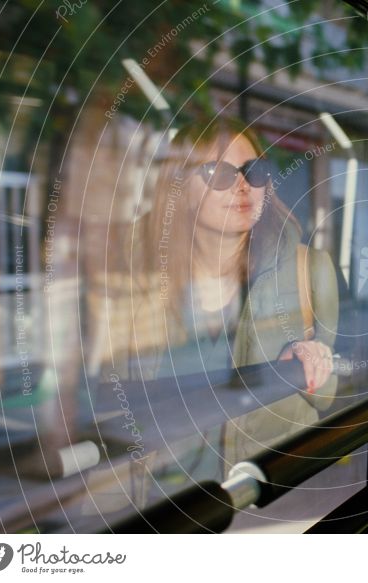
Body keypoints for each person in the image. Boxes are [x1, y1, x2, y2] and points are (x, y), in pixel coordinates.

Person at [87, 115, 339, 512]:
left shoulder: (309, 270)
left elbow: (331, 395)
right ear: (178, 186)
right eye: (218, 173)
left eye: (253, 171)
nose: (241, 186)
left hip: (268, 507)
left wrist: (313, 363)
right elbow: (104, 403)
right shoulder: (130, 281)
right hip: (163, 506)